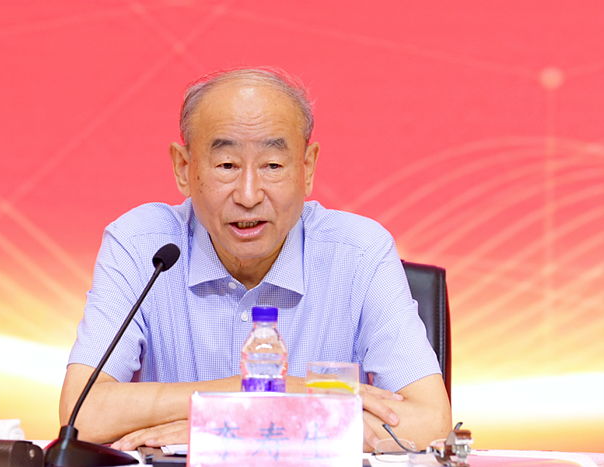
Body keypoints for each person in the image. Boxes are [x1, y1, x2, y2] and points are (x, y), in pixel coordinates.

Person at [59, 67, 452, 453]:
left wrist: (239, 423)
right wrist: (259, 392)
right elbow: (82, 414)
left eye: (273, 166)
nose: (248, 195)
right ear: (184, 168)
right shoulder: (140, 245)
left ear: (307, 168)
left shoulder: (360, 252)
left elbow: (429, 422)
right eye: (227, 165)